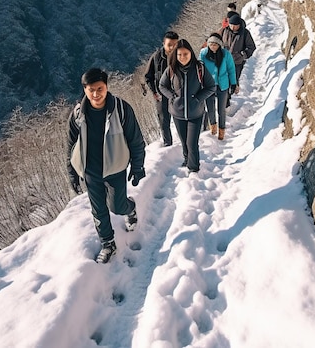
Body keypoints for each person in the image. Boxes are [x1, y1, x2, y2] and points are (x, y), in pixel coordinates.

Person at [67, 67, 146, 264]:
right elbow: (70, 145)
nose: (96, 94)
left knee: (117, 207)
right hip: (90, 171)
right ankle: (108, 243)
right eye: (91, 89)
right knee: (99, 210)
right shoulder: (78, 114)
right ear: (84, 89)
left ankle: (130, 208)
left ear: (107, 87)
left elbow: (136, 140)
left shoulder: (121, 109)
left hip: (115, 168)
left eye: (100, 88)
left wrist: (138, 167)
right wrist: (72, 173)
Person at [158, 39, 215, 173]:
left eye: (185, 54)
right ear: (175, 55)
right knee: (184, 142)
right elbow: (162, 85)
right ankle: (187, 159)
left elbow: (211, 86)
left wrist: (198, 98)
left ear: (191, 53)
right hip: (177, 113)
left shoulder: (199, 68)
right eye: (179, 55)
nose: (183, 57)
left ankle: (194, 169)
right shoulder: (172, 69)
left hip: (196, 112)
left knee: (192, 143)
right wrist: (172, 97)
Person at [199, 33, 237, 141]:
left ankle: (222, 131)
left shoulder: (226, 54)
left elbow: (231, 69)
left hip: (222, 84)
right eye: (210, 44)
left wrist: (233, 83)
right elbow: (199, 68)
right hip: (208, 85)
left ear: (219, 44)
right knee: (210, 108)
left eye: (215, 44)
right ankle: (213, 127)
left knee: (221, 110)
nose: (212, 46)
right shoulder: (203, 53)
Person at [144, 30, 179, 146]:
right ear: (163, 43)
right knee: (164, 122)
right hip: (161, 95)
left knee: (182, 120)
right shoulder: (156, 58)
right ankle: (168, 146)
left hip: (178, 94)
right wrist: (153, 91)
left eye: (175, 45)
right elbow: (148, 76)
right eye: (169, 45)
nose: (172, 48)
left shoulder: (181, 55)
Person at [220, 13, 256, 88]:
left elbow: (251, 46)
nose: (232, 27)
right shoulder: (224, 31)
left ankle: (231, 95)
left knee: (233, 81)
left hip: (237, 62)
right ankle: (226, 98)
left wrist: (243, 55)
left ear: (239, 25)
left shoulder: (245, 33)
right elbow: (216, 40)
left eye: (235, 26)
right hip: (224, 60)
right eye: (231, 25)